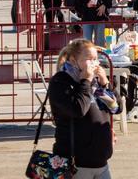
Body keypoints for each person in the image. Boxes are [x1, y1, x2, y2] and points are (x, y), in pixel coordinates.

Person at [49, 39, 114, 178]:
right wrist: (85, 81)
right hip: (76, 162)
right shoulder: (61, 81)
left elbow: (116, 107)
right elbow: (78, 109)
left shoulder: (96, 83)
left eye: (96, 59)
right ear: (73, 59)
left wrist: (105, 83)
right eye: (89, 59)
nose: (94, 63)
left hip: (101, 160)